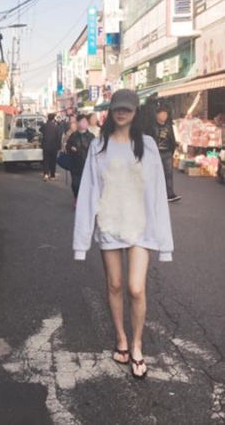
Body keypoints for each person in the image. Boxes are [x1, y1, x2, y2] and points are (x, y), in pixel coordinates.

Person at [73, 89, 174, 379]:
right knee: (115, 284)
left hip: (141, 226)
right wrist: (81, 242)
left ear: (135, 112)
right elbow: (89, 191)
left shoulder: (148, 145)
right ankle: (121, 338)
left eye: (127, 109)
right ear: (110, 111)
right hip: (109, 224)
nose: (121, 113)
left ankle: (137, 344)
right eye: (117, 108)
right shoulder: (99, 145)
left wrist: (164, 243)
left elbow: (158, 193)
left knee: (136, 288)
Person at [148, 104, 181, 202]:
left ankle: (170, 194)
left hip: (167, 153)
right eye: (162, 114)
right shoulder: (152, 126)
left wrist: (174, 148)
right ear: (157, 115)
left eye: (165, 114)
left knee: (169, 174)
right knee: (154, 174)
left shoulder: (169, 126)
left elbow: (172, 138)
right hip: (155, 153)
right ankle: (154, 193)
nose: (164, 116)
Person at [66, 114, 94, 207]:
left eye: (85, 121)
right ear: (77, 123)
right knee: (75, 184)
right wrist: (71, 149)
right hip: (76, 164)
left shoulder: (91, 136)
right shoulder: (73, 136)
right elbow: (67, 147)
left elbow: (95, 149)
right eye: (82, 121)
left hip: (88, 164)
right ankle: (76, 197)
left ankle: (85, 200)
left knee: (87, 184)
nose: (84, 123)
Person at [39, 113, 61, 181]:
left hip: (45, 146)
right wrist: (59, 146)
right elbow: (59, 137)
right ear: (53, 118)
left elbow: (40, 130)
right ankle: (52, 175)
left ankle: (46, 174)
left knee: (46, 160)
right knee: (53, 161)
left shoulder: (45, 125)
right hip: (54, 146)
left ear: (48, 118)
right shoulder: (56, 127)